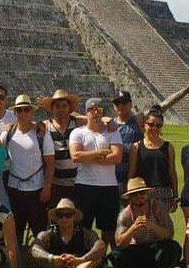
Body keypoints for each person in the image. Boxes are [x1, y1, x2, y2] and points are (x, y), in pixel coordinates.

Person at [112, 71, 189, 199]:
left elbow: (165, 104)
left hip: (136, 179)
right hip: (112, 178)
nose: (121, 105)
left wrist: (187, 89)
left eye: (124, 102)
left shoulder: (139, 120)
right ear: (113, 105)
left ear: (130, 104)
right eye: (117, 102)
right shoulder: (108, 123)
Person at [69, 98, 124, 251]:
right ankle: (84, 254)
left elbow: (117, 157)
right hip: (85, 185)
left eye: (99, 110)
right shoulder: (78, 132)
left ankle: (102, 256)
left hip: (108, 186)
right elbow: (75, 157)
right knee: (82, 225)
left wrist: (89, 157)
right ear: (86, 112)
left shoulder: (112, 131)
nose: (95, 113)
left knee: (108, 228)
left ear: (103, 112)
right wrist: (99, 153)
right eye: (91, 110)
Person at [110, 177, 181, 268]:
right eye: (134, 194)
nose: (139, 196)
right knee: (115, 255)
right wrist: (133, 228)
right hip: (136, 249)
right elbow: (119, 243)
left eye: (142, 193)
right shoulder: (125, 214)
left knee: (174, 247)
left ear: (147, 194)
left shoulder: (158, 207)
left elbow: (169, 234)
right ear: (129, 197)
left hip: (155, 247)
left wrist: (151, 225)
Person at [2, 95, 55, 247]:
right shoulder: (8, 133)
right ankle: (18, 264)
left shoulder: (42, 133)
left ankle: (42, 265)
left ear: (32, 112)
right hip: (14, 188)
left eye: (26, 109)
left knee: (39, 230)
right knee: (15, 229)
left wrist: (47, 187)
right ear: (15, 113)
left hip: (36, 189)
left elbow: (50, 164)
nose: (22, 113)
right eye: (19, 110)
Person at [31, 198, 106, 268]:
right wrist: (53, 258)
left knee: (97, 258)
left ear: (74, 217)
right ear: (56, 218)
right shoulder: (47, 234)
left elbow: (101, 246)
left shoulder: (85, 233)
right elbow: (34, 249)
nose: (64, 218)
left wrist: (80, 260)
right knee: (40, 257)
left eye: (68, 215)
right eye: (60, 215)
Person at [127, 107, 179, 212]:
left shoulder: (168, 147)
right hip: (142, 192)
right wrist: (130, 194)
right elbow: (131, 173)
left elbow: (172, 172)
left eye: (158, 125)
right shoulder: (136, 147)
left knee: (163, 225)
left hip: (163, 193)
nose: (154, 128)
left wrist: (175, 196)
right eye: (151, 124)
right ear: (145, 124)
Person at [40, 90, 82, 208]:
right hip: (56, 183)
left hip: (77, 181)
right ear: (52, 109)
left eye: (64, 106)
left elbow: (94, 119)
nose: (61, 109)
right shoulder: (45, 126)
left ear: (69, 108)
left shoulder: (77, 122)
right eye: (57, 106)